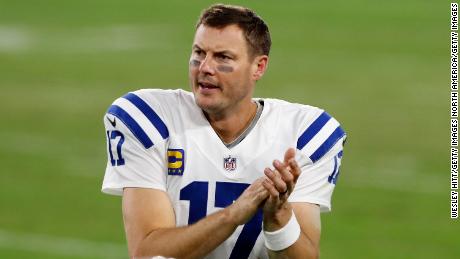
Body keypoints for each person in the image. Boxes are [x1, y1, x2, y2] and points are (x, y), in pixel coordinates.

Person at [101, 4, 346, 259]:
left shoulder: (305, 135)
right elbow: (147, 252)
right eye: (199, 53)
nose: (205, 67)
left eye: (223, 57)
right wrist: (231, 216)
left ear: (258, 67)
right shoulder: (149, 119)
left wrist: (279, 217)